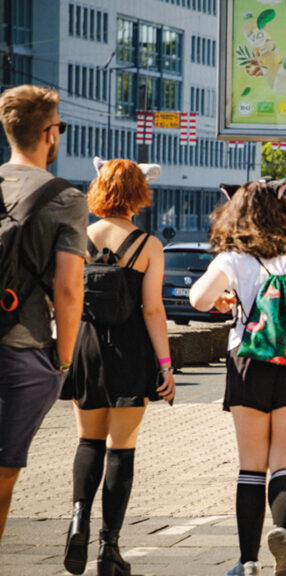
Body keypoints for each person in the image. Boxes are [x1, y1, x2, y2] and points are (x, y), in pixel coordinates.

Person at [189, 180, 286, 576]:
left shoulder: (234, 255)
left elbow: (198, 299)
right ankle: (283, 537)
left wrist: (226, 297)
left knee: (252, 466)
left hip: (249, 361)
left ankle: (248, 561)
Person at [58, 158, 174, 575]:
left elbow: (65, 296)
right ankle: (109, 548)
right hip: (130, 350)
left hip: (85, 346)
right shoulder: (149, 245)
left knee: (88, 440)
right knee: (121, 448)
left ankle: (78, 520)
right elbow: (153, 309)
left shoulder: (79, 236)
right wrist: (165, 366)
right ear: (139, 194)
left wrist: (63, 353)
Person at [0, 85, 88, 544]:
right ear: (51, 134)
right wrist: (64, 359)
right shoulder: (64, 198)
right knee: (3, 474)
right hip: (23, 347)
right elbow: (69, 288)